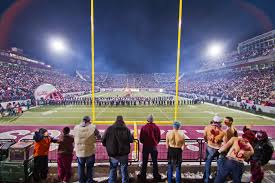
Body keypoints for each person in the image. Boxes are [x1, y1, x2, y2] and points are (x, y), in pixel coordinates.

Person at [102, 116, 133, 183]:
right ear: (122, 121)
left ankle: (112, 181)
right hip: (123, 153)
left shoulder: (110, 128)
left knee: (113, 169)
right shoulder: (126, 129)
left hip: (113, 153)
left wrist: (107, 146)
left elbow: (103, 139)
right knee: (124, 170)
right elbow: (131, 140)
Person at [74, 116, 101, 183]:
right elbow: (99, 136)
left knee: (80, 168)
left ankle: (81, 181)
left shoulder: (76, 127)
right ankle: (89, 181)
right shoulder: (92, 127)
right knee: (90, 168)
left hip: (79, 152)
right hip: (90, 151)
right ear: (89, 121)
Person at [138, 115, 162, 181]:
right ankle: (156, 175)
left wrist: (145, 142)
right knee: (155, 162)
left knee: (144, 162)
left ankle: (143, 176)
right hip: (154, 147)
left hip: (146, 146)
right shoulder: (156, 127)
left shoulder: (144, 127)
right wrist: (155, 143)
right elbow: (159, 138)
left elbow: (141, 139)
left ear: (147, 120)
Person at [203, 115, 225, 183]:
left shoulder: (207, 127)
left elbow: (205, 136)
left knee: (208, 163)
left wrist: (207, 141)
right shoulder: (222, 131)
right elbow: (223, 140)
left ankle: (206, 178)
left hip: (210, 146)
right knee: (219, 165)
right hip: (218, 149)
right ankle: (218, 180)